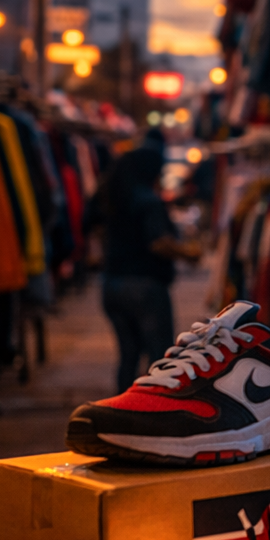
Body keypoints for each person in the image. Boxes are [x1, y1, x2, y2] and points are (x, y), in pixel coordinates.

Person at [90, 135, 202, 391]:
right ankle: (152, 412)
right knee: (159, 358)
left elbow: (92, 228)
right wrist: (189, 254)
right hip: (145, 287)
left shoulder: (111, 198)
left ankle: (122, 409)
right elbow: (158, 243)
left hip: (112, 284)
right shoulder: (148, 200)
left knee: (127, 356)